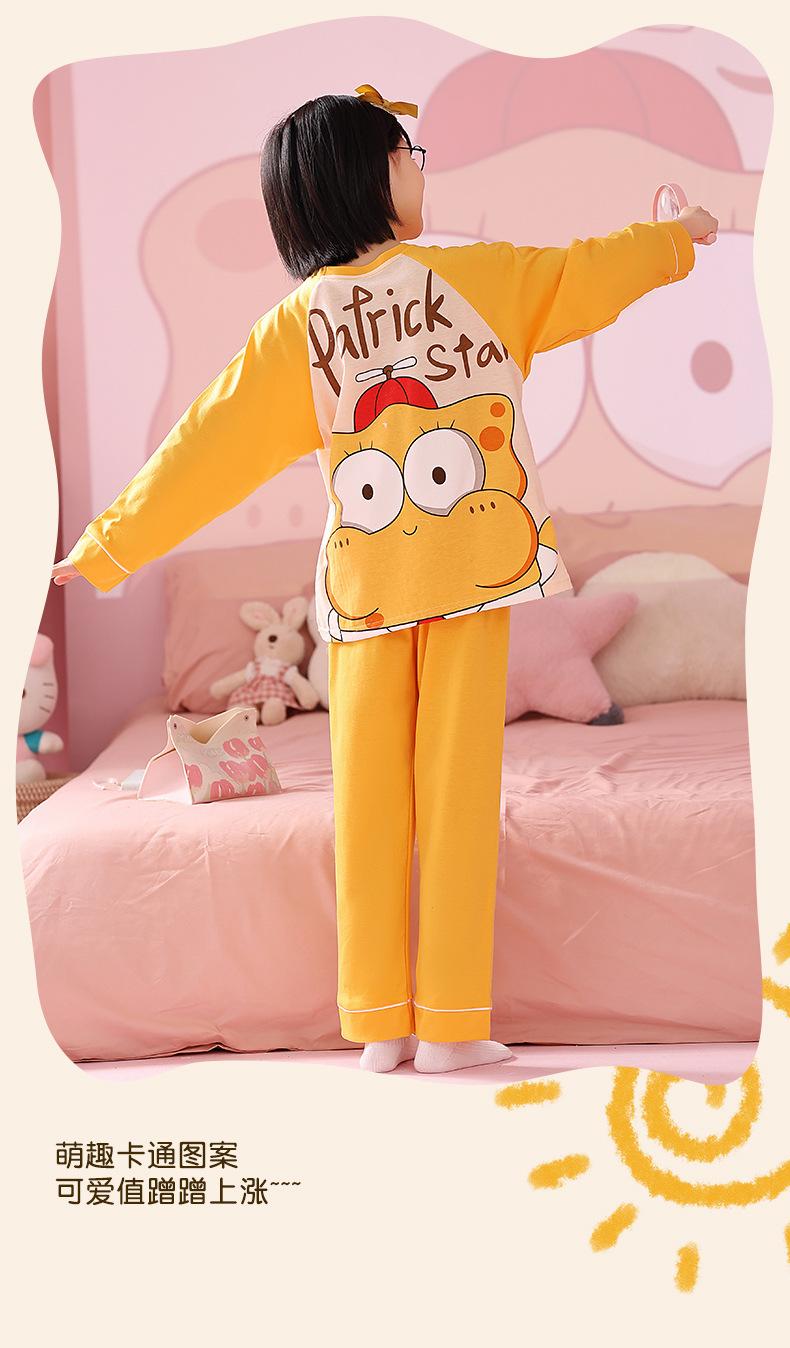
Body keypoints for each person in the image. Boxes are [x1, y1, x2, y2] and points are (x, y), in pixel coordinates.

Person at [51, 84, 718, 1073]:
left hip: (363, 598)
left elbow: (205, 448)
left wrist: (108, 545)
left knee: (368, 803)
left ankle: (378, 1022)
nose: (422, 169)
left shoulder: (300, 326)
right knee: (455, 795)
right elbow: (586, 273)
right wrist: (676, 238)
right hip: (471, 583)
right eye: (409, 155)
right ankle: (447, 1023)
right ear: (370, 176)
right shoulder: (474, 281)